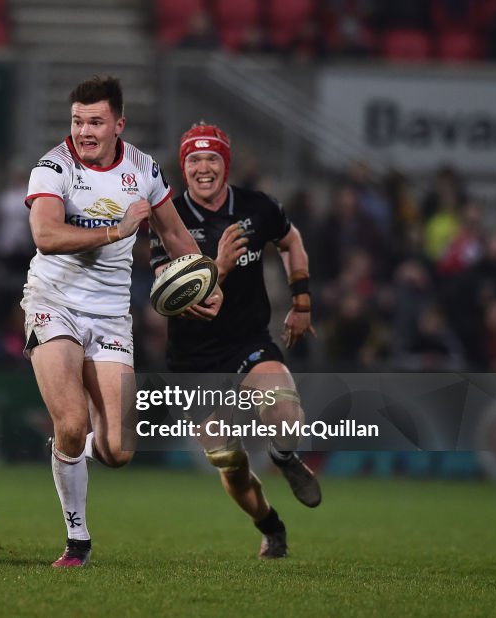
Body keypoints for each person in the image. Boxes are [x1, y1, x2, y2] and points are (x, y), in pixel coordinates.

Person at [22, 76, 223, 568]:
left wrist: (208, 280)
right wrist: (118, 229)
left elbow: (175, 234)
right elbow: (45, 235)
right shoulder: (53, 167)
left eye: (94, 121)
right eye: (77, 121)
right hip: (53, 303)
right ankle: (78, 540)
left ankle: (68, 449)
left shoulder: (144, 169)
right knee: (71, 422)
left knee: (117, 450)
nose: (84, 131)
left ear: (118, 124)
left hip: (111, 316)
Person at [148, 122, 321, 559]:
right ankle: (270, 525)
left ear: (225, 164)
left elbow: (291, 239)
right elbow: (173, 300)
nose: (203, 167)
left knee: (287, 416)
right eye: (193, 159)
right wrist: (219, 266)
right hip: (194, 359)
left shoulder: (258, 208)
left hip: (248, 340)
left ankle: (284, 458)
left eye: (211, 159)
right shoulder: (168, 219)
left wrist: (301, 302)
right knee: (231, 463)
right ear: (183, 168)